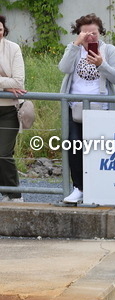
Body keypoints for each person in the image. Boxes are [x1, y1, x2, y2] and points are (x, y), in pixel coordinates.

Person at [58, 14, 115, 204]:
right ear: (78, 33)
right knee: (74, 147)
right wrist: (75, 46)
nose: (90, 37)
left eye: (93, 33)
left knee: (101, 150)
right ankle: (79, 188)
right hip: (74, 106)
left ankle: (101, 190)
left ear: (100, 32)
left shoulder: (108, 50)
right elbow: (64, 68)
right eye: (85, 33)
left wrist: (102, 65)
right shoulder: (74, 49)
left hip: (102, 107)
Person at [0, 14, 25, 202]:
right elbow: (11, 82)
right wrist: (5, 85)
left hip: (8, 110)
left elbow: (18, 81)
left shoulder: (13, 48)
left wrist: (8, 85)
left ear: (4, 30)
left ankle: (14, 195)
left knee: (3, 153)